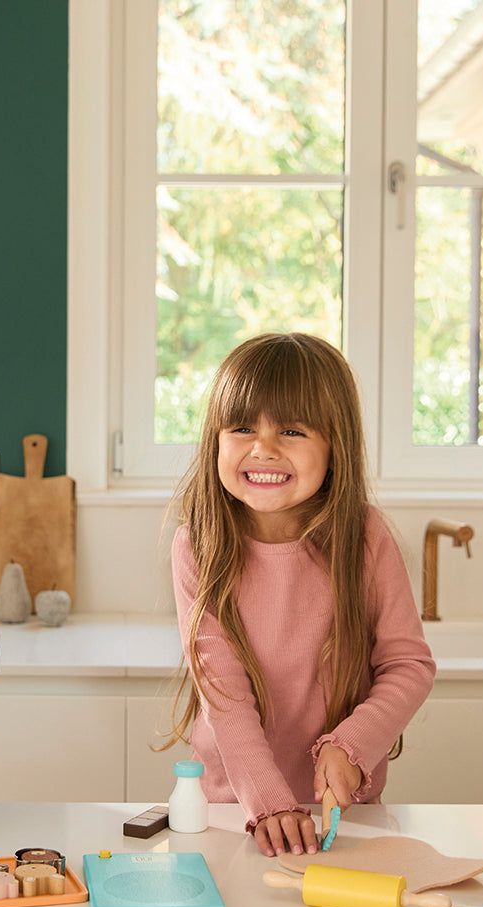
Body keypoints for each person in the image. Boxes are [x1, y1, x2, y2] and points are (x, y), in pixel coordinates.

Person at [166, 333, 435, 858]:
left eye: (292, 430)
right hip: (231, 809)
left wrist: (350, 745)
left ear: (335, 447)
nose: (263, 448)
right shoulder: (198, 544)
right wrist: (267, 801)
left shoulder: (365, 537)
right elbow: (224, 692)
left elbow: (408, 665)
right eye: (242, 427)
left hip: (343, 810)